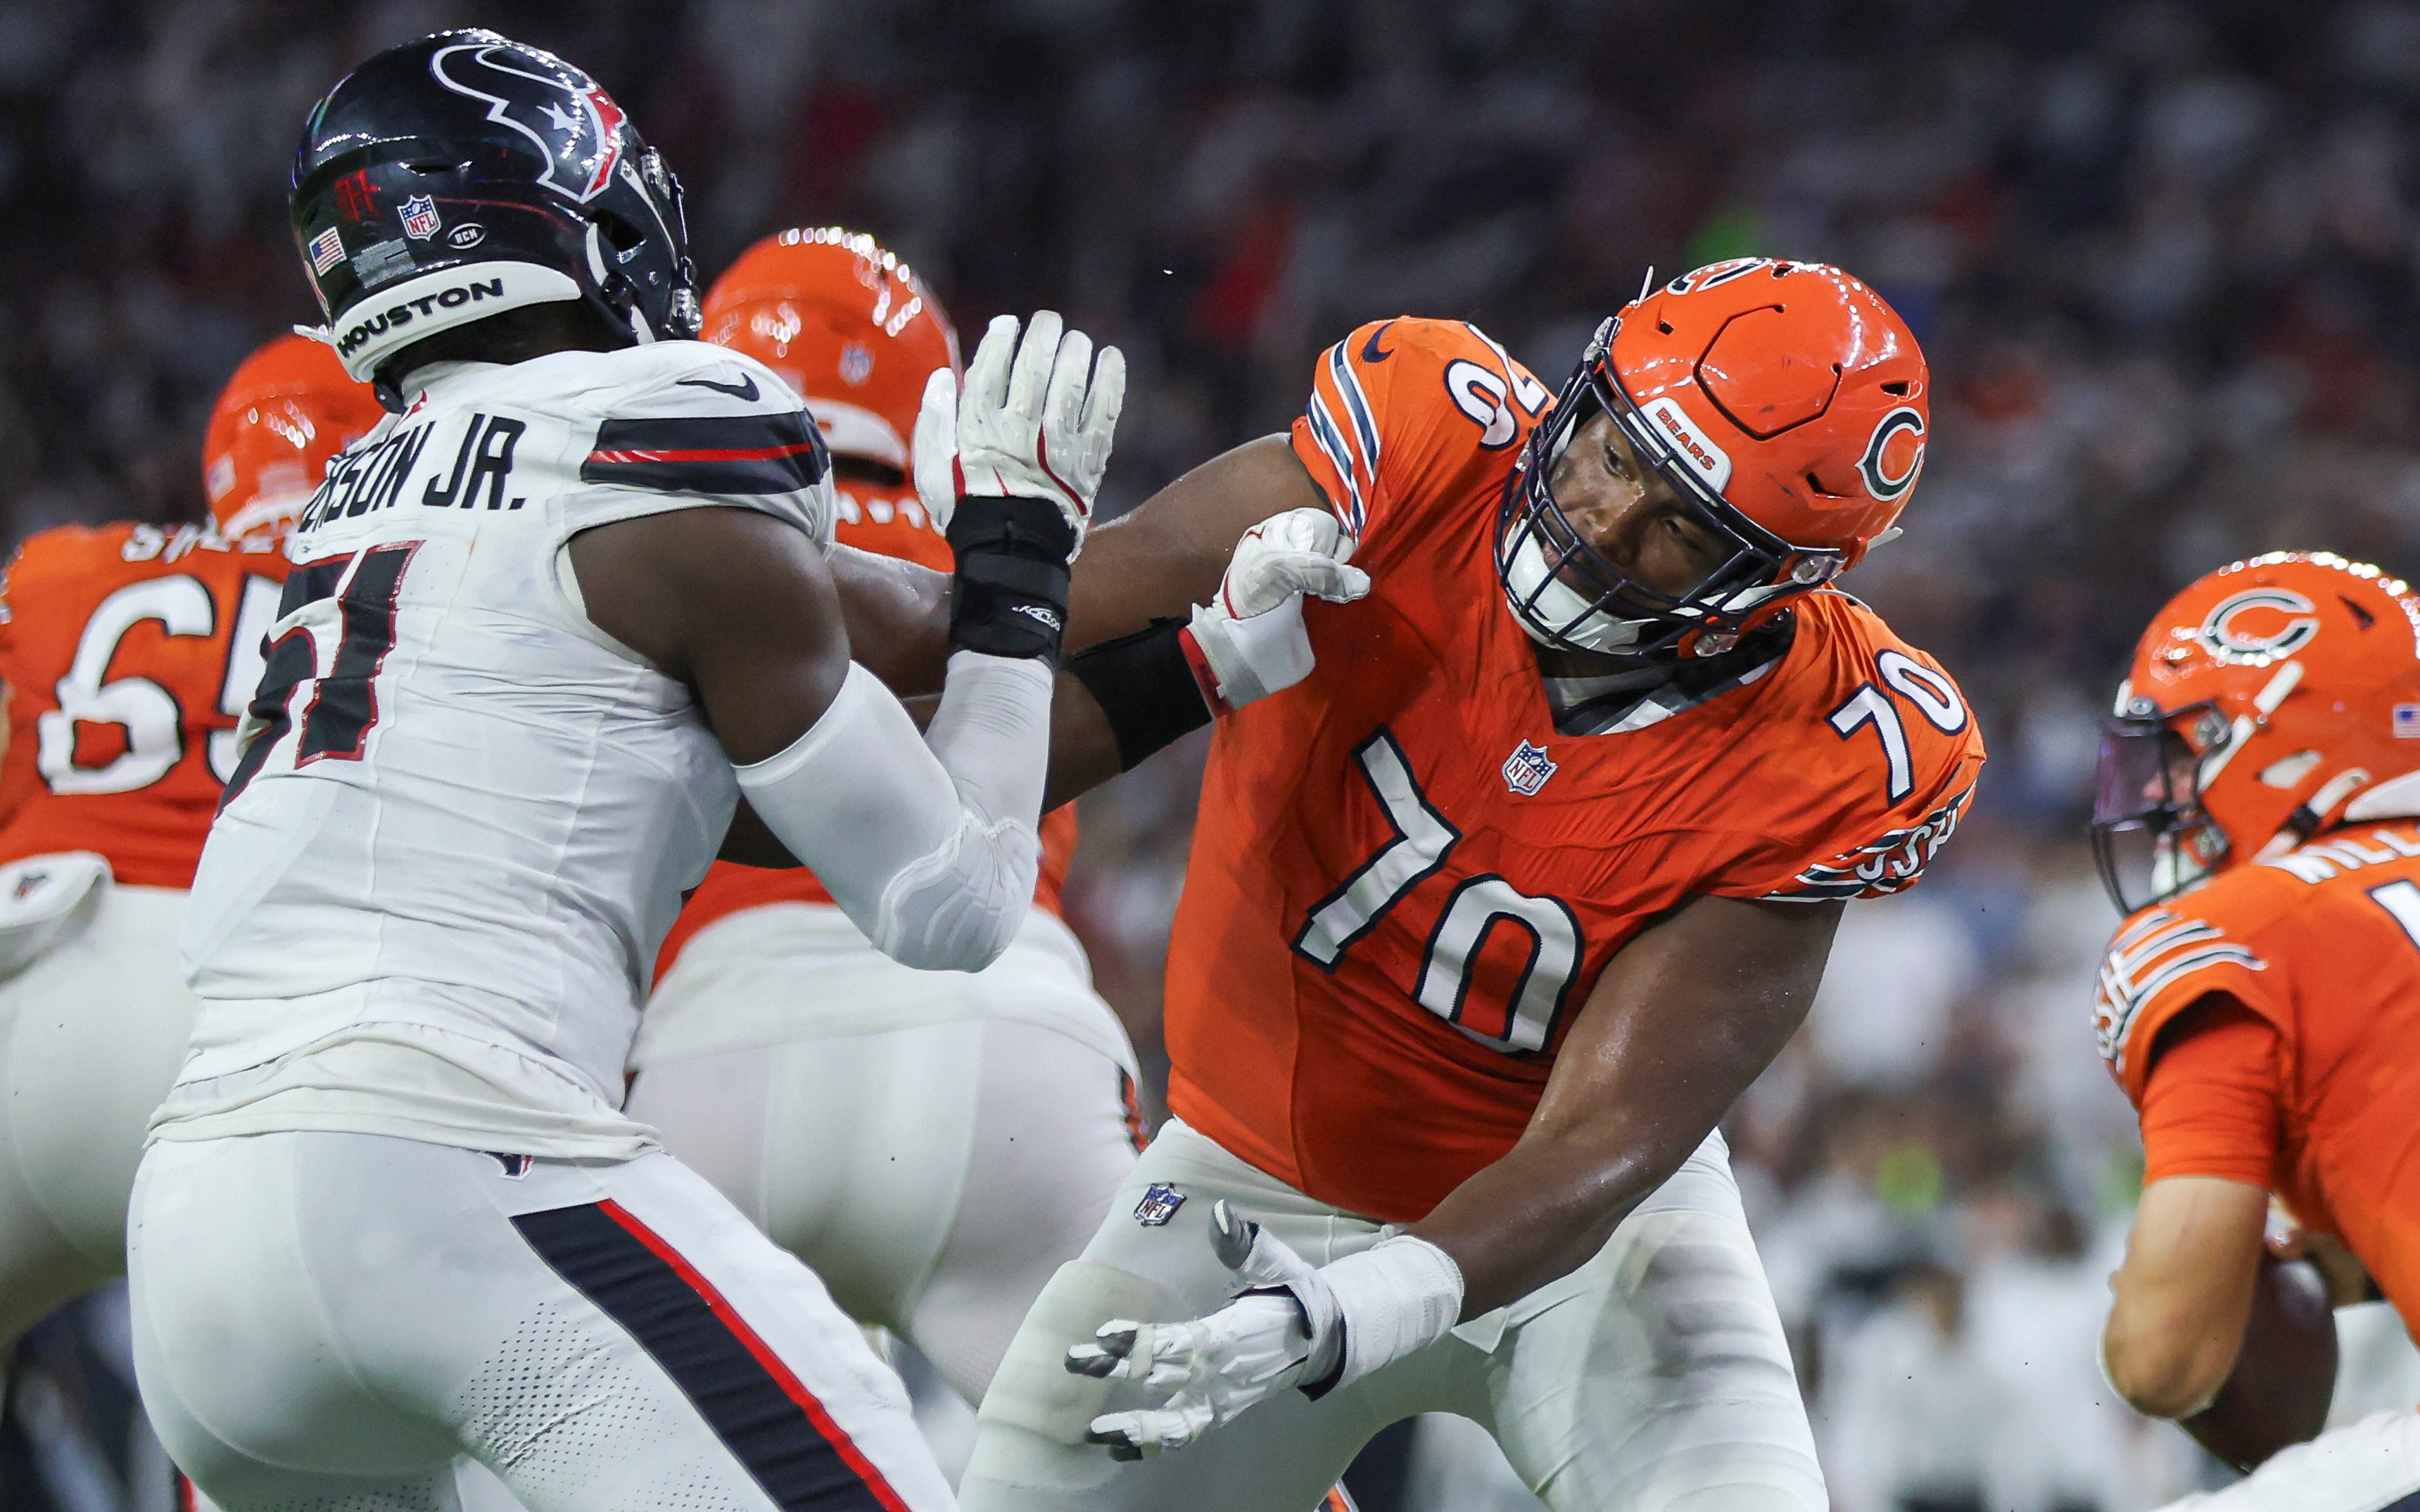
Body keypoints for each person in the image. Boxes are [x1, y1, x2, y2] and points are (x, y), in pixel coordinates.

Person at [117, 30, 1189, 1512]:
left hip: (196, 1252)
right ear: (581, 209)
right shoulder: (664, 425)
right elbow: (947, 901)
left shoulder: (353, 509)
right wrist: (1013, 555)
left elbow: (872, 616)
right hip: (448, 1162)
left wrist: (1194, 646)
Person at [957, 258, 1988, 1512]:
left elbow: (1610, 1138)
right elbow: (1041, 643)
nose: (1606, 519)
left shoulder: (1842, 745)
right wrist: (995, 558)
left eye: (1679, 524)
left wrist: (1372, 1298)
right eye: (1615, 452)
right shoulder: (1425, 449)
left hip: (1586, 1244)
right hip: (1240, 1185)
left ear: (1774, 584)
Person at [626, 227, 1144, 1409]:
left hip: (711, 1054)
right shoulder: (1021, 552)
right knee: (1217, 1470)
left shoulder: (651, 558)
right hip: (1010, 1049)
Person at [0, 332, 381, 1353]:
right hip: (253, 1036)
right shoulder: (402, 593)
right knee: (276, 1428)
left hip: (32, 1006)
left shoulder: (53, 571)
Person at [2089, 552, 2420, 1510]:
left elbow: (2163, 1357)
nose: (2159, 794)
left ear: (2291, 739)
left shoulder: (2245, 931)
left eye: (2187, 751)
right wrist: (2349, 1263)